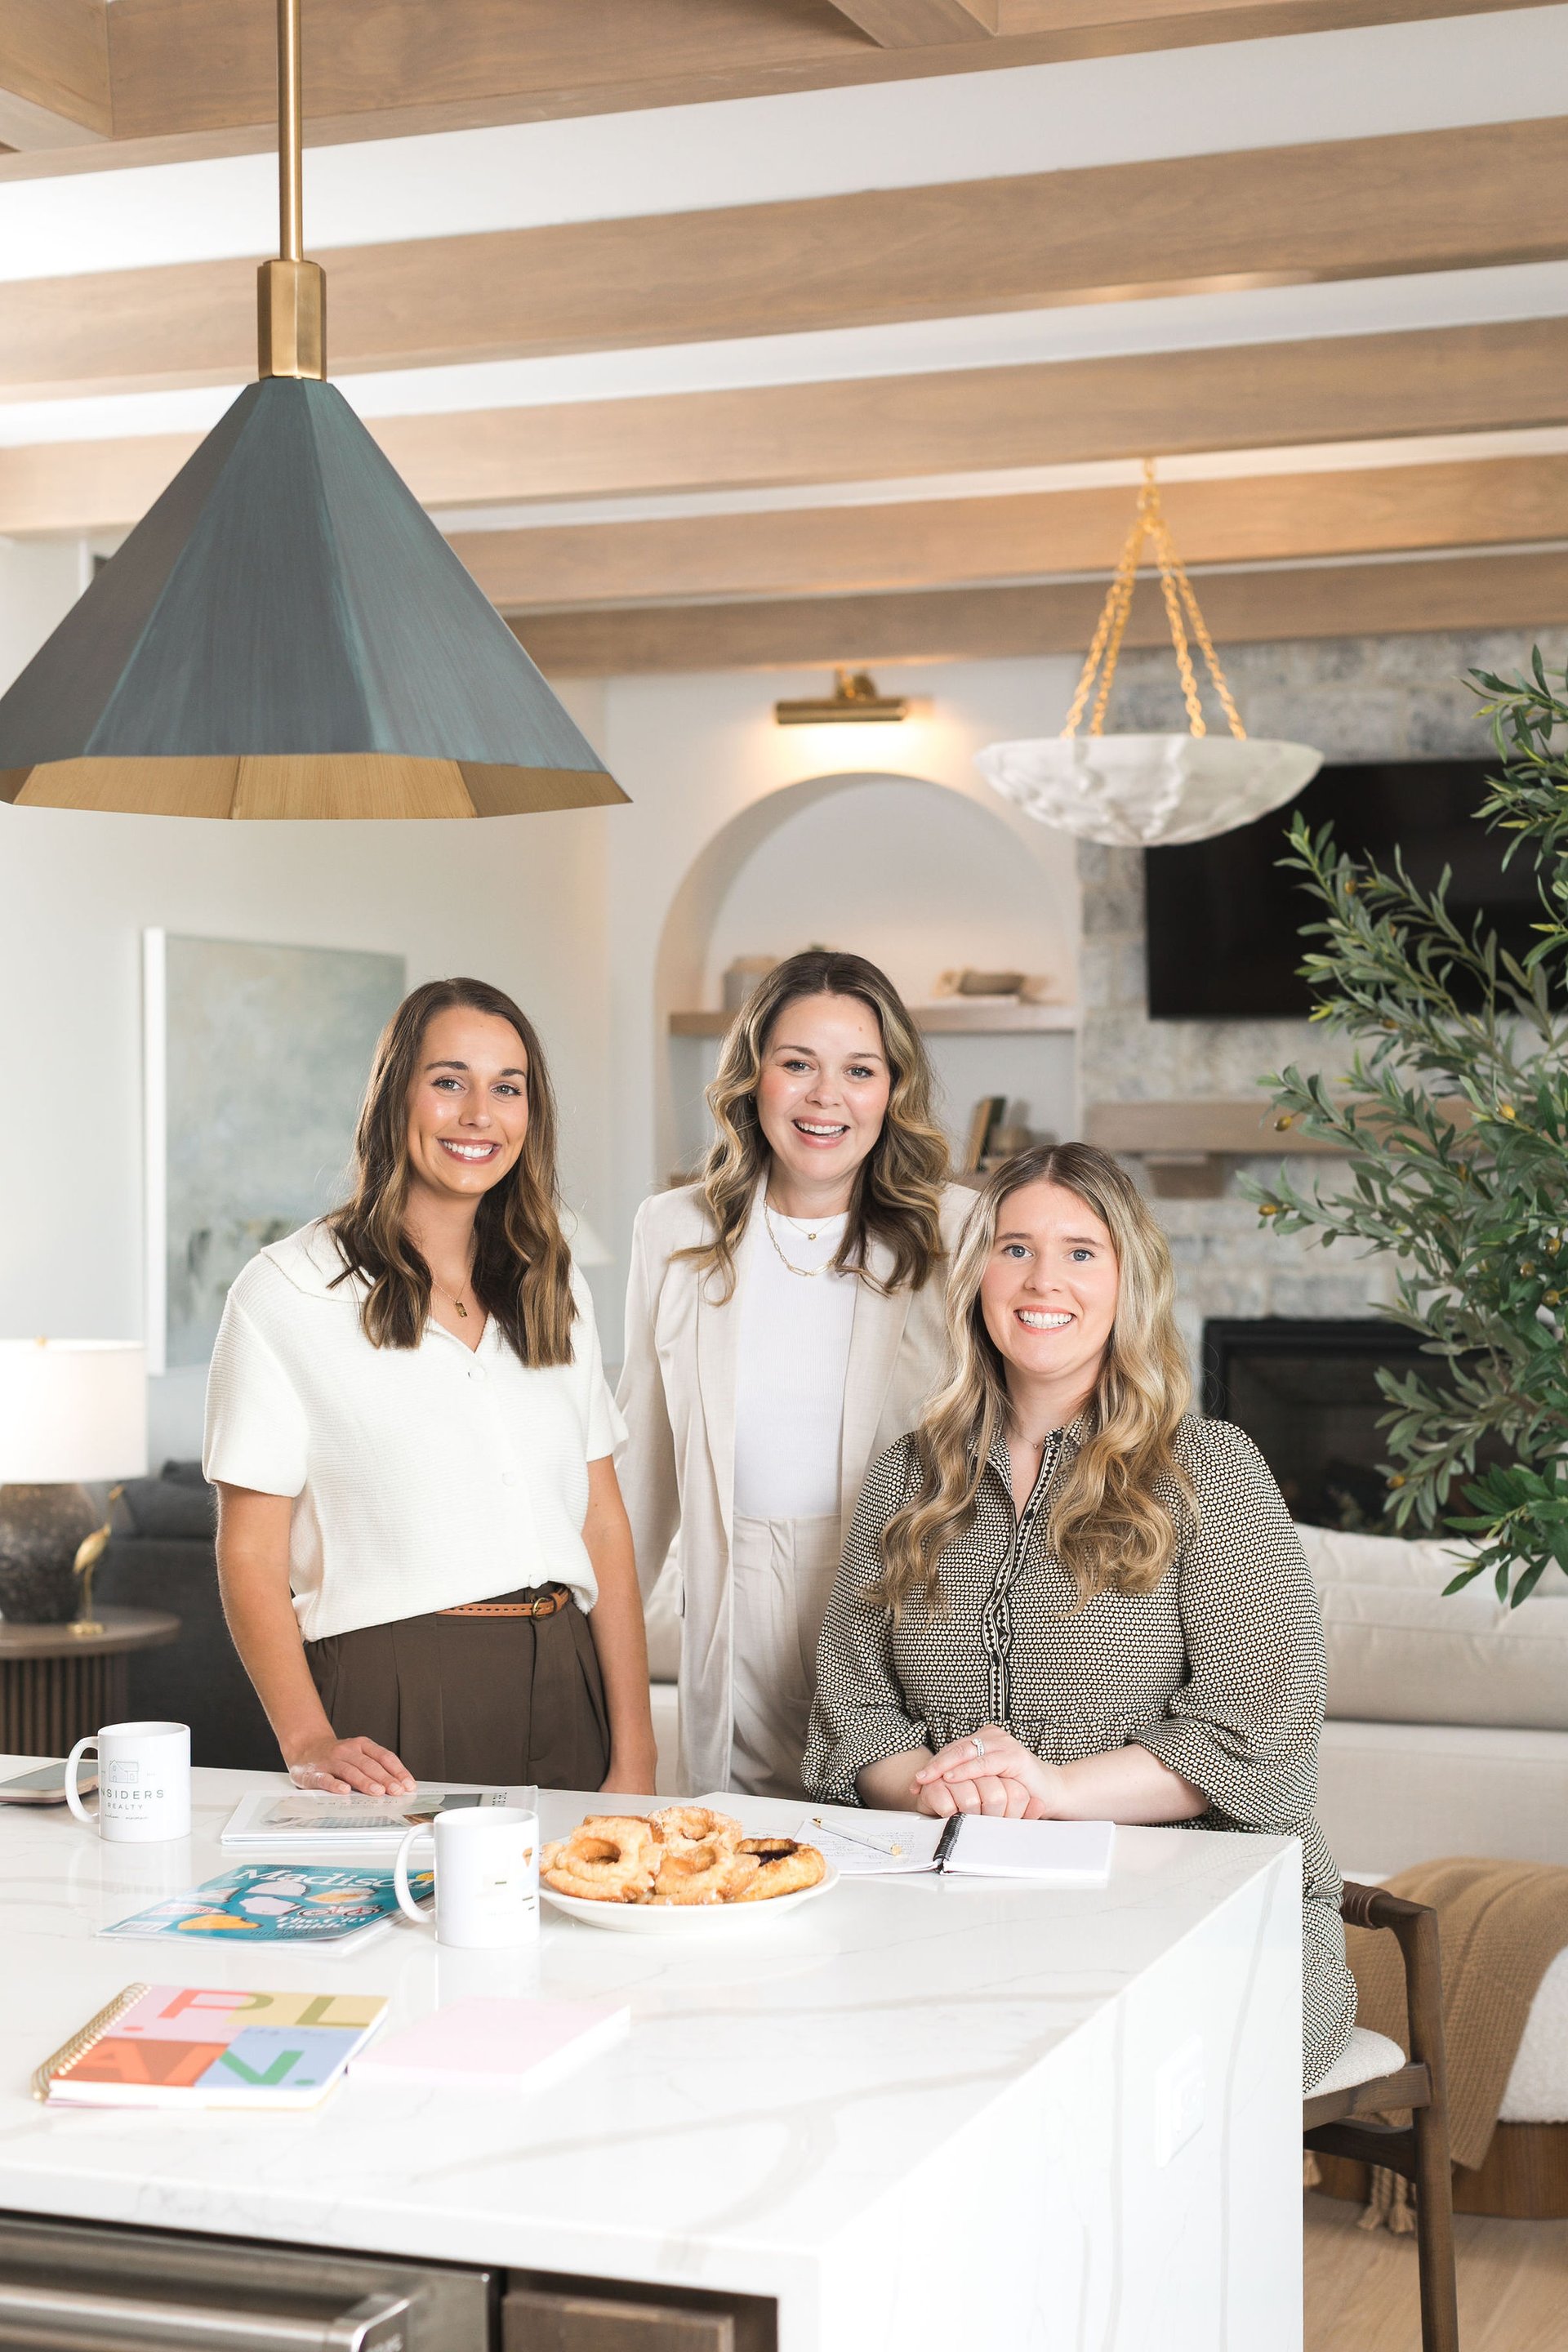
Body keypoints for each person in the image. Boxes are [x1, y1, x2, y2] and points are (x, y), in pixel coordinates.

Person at [803, 1139, 1355, 2087]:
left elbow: (1257, 1736)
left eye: (1080, 1252)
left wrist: (1049, 1789)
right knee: (848, 2045)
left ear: (1127, 1280)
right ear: (978, 1275)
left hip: (1197, 1910)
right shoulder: (907, 1477)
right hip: (956, 1901)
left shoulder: (1209, 1471)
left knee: (1104, 2076)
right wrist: (951, 1791)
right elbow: (851, 1713)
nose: (1042, 1280)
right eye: (1014, 1248)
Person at [206, 977, 657, 1798]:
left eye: (507, 1088)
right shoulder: (286, 1293)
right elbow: (251, 1551)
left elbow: (602, 1524)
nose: (479, 1114)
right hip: (398, 1694)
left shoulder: (553, 1285)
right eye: (450, 1081)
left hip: (569, 1680)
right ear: (394, 1097)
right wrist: (306, 1737)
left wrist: (636, 1753)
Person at [617, 949, 975, 1799]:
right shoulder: (672, 1229)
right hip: (730, 1586)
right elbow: (643, 1454)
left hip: (901, 1590)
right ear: (754, 1077)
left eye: (859, 1070)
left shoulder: (958, 1231)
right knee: (739, 1839)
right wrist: (594, 1637)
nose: (826, 1097)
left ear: (893, 1089)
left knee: (898, 1832)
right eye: (798, 1064)